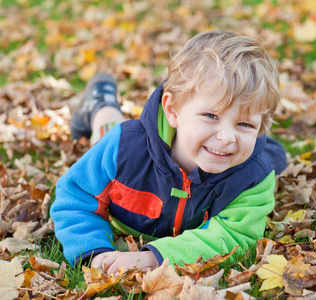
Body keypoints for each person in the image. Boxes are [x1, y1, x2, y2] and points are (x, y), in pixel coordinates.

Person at [50, 30, 287, 275]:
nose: (227, 137)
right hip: (125, 142)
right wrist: (95, 252)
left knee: (276, 158)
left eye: (245, 124)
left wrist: (154, 258)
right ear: (172, 110)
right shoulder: (121, 149)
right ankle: (100, 102)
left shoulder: (254, 176)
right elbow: (74, 199)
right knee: (107, 129)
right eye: (210, 115)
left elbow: (233, 236)